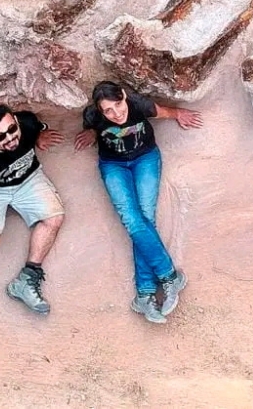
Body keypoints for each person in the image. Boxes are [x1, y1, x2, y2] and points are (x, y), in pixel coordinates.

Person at [75, 81, 202, 324]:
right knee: (132, 221)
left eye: (118, 105)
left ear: (123, 96)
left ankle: (144, 294)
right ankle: (168, 276)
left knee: (145, 217)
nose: (116, 113)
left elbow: (163, 111)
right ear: (100, 111)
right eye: (108, 111)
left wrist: (179, 115)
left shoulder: (137, 104)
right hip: (113, 165)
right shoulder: (92, 115)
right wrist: (92, 132)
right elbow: (92, 127)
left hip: (145, 159)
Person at [0, 105, 65, 314]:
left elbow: (38, 126)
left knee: (55, 219)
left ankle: (26, 280)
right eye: (0, 137)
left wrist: (39, 137)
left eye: (11, 130)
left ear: (16, 121)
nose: (9, 138)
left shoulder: (27, 122)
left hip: (29, 179)